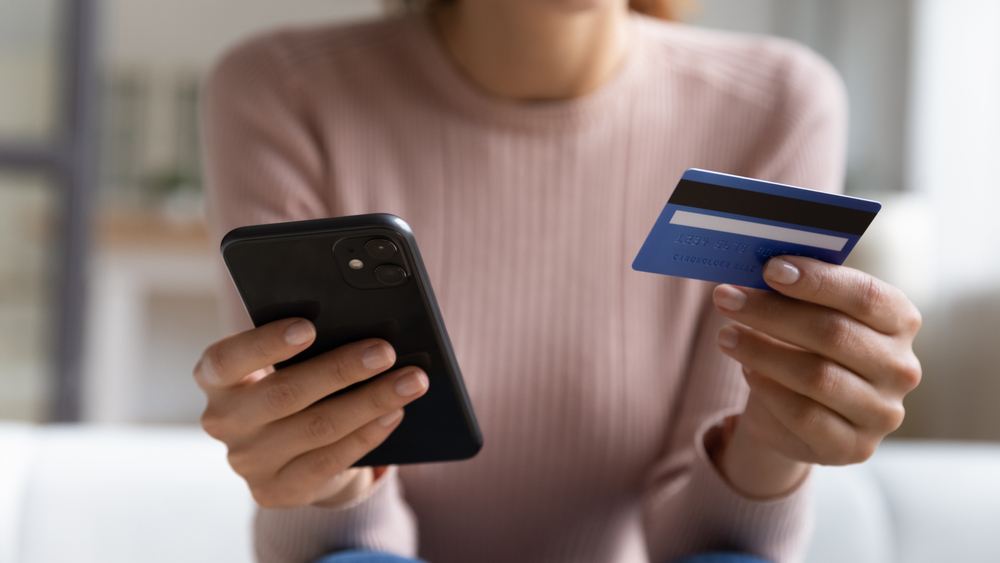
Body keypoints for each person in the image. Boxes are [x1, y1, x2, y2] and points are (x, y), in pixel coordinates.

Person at [194, 0, 922, 562]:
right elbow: (349, 538)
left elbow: (710, 540)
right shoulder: (284, 92)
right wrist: (321, 473)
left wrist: (781, 434)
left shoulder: (775, 103)